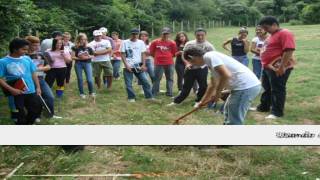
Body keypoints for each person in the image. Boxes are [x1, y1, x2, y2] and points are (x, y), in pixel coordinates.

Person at [183, 45, 261, 125]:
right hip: (241, 88)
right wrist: (202, 102)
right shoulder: (209, 60)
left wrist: (218, 93)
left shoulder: (210, 56)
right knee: (227, 112)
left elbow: (226, 75)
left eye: (191, 62)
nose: (193, 64)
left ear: (192, 57)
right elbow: (213, 84)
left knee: (234, 120)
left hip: (245, 87)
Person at [252, 16, 296, 119]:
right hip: (268, 67)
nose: (265, 30)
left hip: (278, 67)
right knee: (266, 88)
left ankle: (277, 112)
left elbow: (289, 50)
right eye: (263, 28)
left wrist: (282, 67)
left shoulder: (285, 33)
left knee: (277, 89)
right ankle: (264, 107)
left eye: (266, 27)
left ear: (274, 24)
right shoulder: (272, 34)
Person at [0, 38, 42, 125]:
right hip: (17, 93)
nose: (26, 51)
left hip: (31, 91)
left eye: (26, 49)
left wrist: (38, 87)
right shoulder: (3, 62)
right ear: (15, 49)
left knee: (35, 110)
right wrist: (11, 89)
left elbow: (33, 73)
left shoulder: (27, 58)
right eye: (23, 49)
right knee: (19, 115)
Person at [168, 28, 214, 107]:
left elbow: (212, 58)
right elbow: (183, 54)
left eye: (202, 35)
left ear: (205, 35)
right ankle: (177, 101)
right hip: (190, 69)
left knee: (203, 86)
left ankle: (198, 101)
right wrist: (186, 63)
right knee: (186, 86)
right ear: (195, 35)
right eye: (198, 35)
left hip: (202, 69)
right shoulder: (189, 43)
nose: (200, 37)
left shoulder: (209, 46)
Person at [25, 36, 61, 120]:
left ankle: (50, 114)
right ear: (28, 45)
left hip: (40, 79)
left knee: (50, 97)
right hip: (28, 81)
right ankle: (37, 116)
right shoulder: (23, 55)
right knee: (36, 99)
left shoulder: (41, 54)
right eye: (34, 45)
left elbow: (48, 66)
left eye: (38, 45)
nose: (37, 47)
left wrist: (38, 69)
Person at [120, 29, 153, 102]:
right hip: (128, 66)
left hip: (138, 65)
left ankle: (149, 97)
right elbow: (122, 54)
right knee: (128, 83)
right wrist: (126, 65)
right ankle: (131, 97)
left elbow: (143, 53)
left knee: (145, 81)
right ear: (130, 34)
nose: (135, 36)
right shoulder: (125, 42)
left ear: (138, 35)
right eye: (133, 34)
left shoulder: (141, 42)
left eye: (136, 34)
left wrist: (144, 64)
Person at [150, 27, 177, 97]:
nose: (165, 35)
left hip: (169, 63)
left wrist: (168, 57)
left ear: (169, 34)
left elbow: (174, 53)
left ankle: (169, 93)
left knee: (170, 78)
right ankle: (154, 93)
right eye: (164, 34)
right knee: (157, 78)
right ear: (161, 34)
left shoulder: (172, 43)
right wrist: (157, 57)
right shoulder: (155, 42)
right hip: (158, 63)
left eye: (167, 34)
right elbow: (151, 52)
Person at [71, 33, 96, 99]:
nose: (83, 41)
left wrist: (87, 57)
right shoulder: (75, 47)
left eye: (85, 39)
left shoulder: (88, 47)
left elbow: (93, 55)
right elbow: (72, 57)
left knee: (89, 79)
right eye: (82, 39)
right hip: (78, 64)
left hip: (87, 63)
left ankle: (91, 92)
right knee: (80, 79)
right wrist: (80, 58)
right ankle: (81, 93)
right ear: (79, 39)